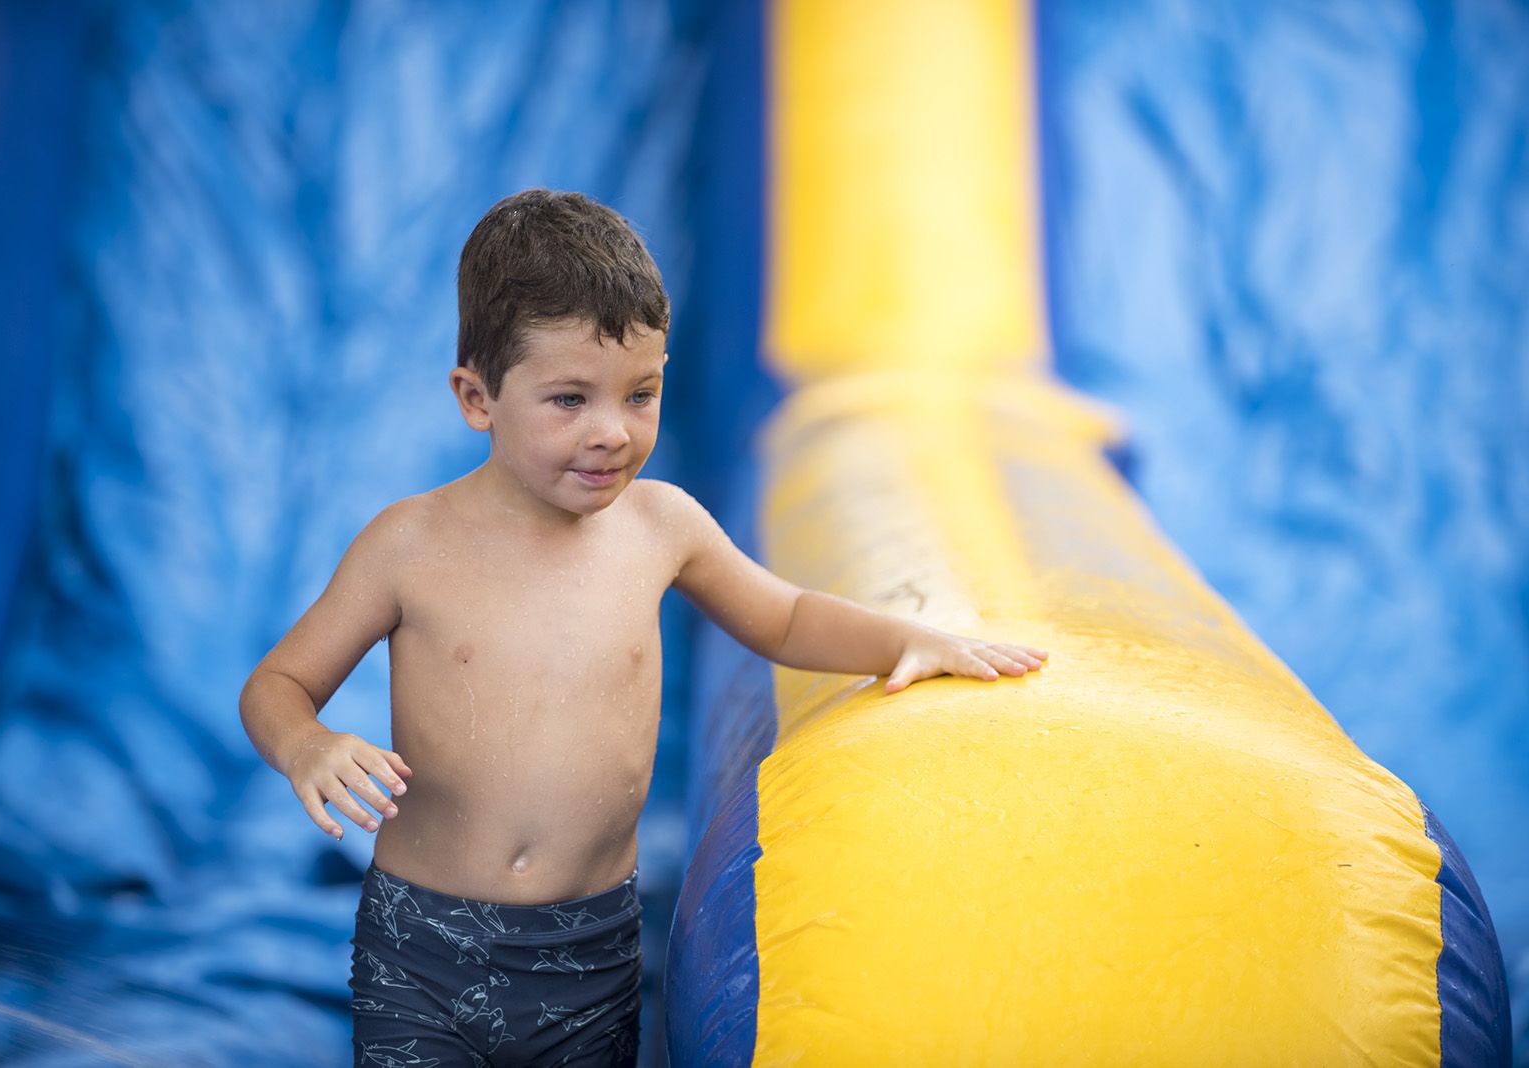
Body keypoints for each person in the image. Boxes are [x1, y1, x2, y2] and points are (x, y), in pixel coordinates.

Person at [237, 188, 1048, 1066]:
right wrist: (307, 747)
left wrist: (905, 640)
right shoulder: (409, 545)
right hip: (423, 951)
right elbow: (278, 685)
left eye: (641, 394)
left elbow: (784, 617)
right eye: (570, 400)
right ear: (477, 397)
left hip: (590, 957)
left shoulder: (662, 528)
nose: (613, 433)